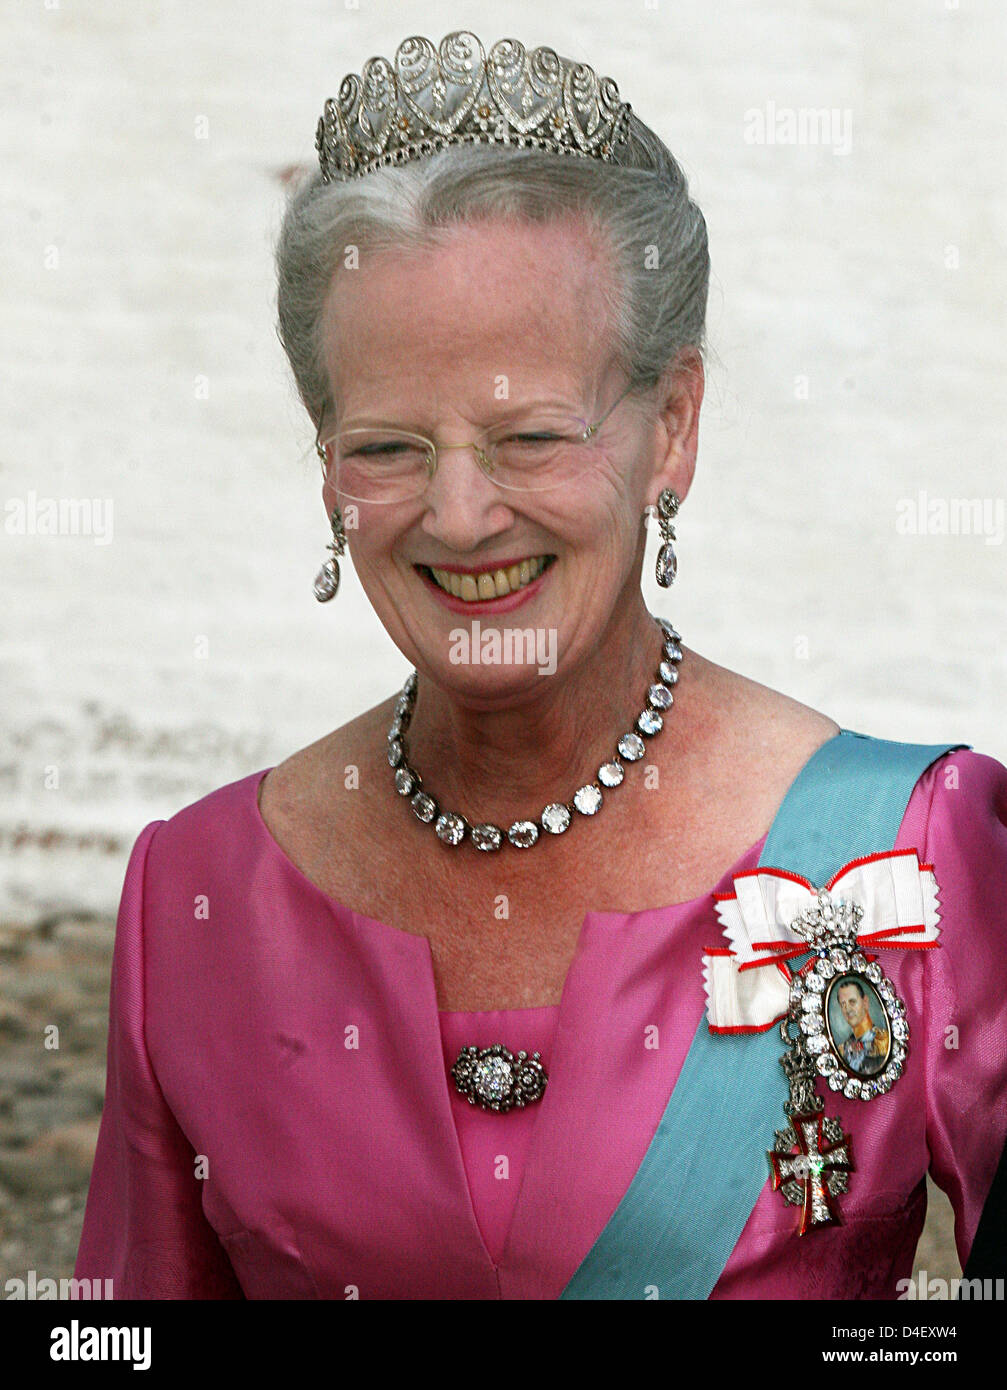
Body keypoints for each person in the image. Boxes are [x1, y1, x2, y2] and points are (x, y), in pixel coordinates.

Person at [74, 29, 1007, 1299]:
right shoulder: (197, 895)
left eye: (528, 437)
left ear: (669, 426)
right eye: (391, 447)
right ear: (323, 459)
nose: (459, 517)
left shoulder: (900, 848)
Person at [836, 980, 889, 1076]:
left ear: (865, 1002)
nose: (847, 1009)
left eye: (852, 1002)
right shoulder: (842, 1050)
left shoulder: (884, 1041)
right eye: (843, 1004)